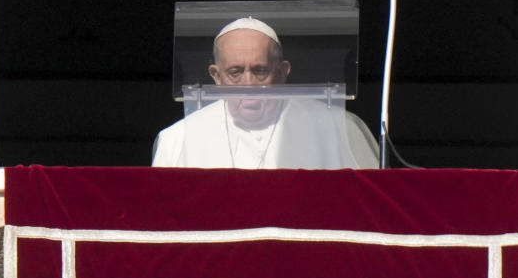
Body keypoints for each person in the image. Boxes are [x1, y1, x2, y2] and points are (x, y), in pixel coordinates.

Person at [152, 17, 379, 169]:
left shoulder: (339, 128)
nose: (248, 84)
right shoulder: (179, 139)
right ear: (216, 76)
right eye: (235, 72)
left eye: (260, 71)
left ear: (282, 72)